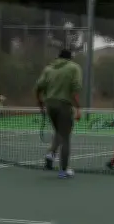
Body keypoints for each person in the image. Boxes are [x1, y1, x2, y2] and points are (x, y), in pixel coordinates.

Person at [35, 49, 82, 179]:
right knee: (66, 137)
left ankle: (51, 153)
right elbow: (74, 90)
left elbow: (38, 87)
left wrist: (40, 103)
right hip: (64, 105)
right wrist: (78, 108)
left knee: (59, 132)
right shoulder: (74, 68)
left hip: (49, 104)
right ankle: (63, 170)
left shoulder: (48, 68)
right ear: (70, 58)